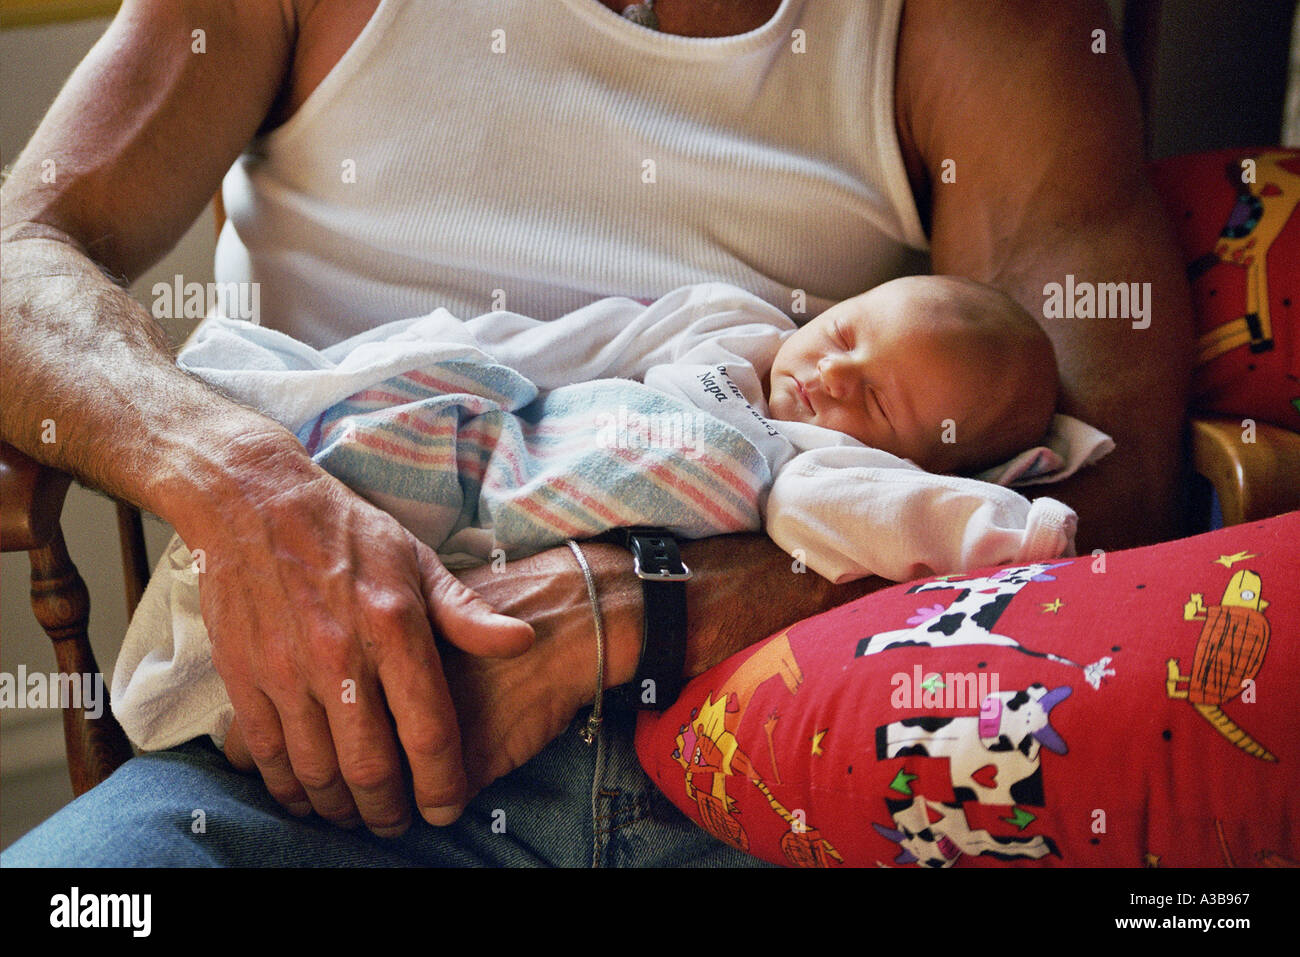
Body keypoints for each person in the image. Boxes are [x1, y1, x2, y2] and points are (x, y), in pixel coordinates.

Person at [0, 0, 1192, 865]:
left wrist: (645, 605)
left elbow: (1102, 488)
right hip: (325, 764)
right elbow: (17, 264)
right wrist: (249, 488)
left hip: (784, 756)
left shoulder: (979, 26)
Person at [111, 276, 1103, 756]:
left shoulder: (807, 465)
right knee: (390, 465)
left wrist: (1008, 529)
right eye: (842, 333)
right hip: (498, 447)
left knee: (398, 609)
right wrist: (444, 366)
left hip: (522, 554)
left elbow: (889, 518)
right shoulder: (726, 330)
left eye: (876, 400)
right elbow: (578, 346)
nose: (830, 376)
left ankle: (241, 716)